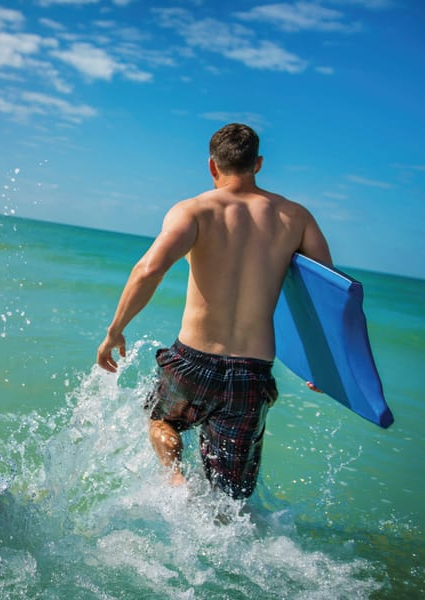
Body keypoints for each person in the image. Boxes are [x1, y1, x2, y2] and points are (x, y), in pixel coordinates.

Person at [96, 123, 332, 500]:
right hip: (251, 376)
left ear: (212, 166)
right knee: (231, 495)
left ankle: (175, 480)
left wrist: (115, 330)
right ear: (258, 163)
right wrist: (322, 364)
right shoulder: (296, 218)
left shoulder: (195, 210)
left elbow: (149, 270)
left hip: (193, 363)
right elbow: (326, 297)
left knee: (161, 419)